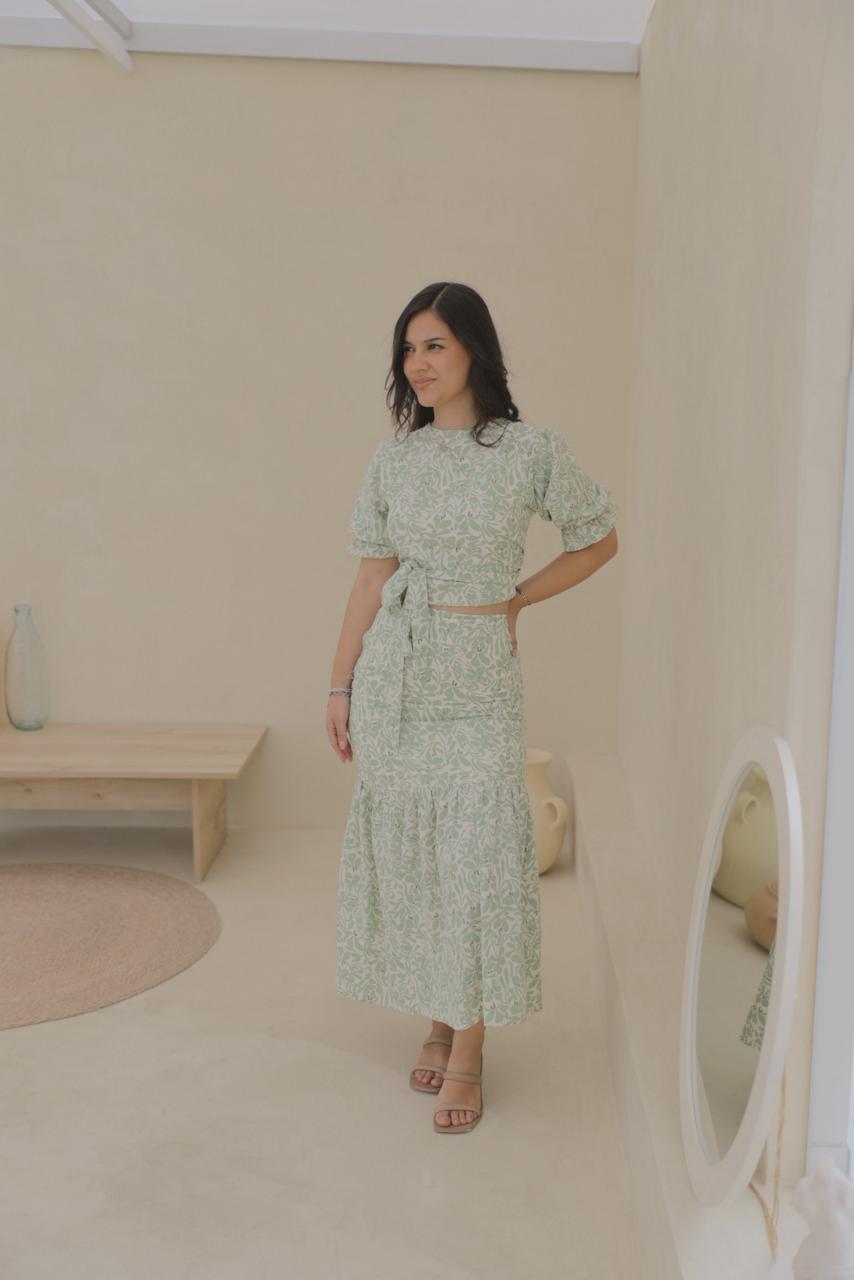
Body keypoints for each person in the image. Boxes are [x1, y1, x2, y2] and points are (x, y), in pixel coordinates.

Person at [326, 281, 618, 1134]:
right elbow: (370, 579)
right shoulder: (395, 460)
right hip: (400, 677)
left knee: (477, 860)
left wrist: (518, 598)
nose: (417, 364)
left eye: (434, 346)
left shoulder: (529, 451)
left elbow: (598, 538)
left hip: (479, 680)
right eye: (408, 349)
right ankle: (441, 1015)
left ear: (473, 352)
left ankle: (470, 1049)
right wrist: (340, 684)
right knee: (423, 863)